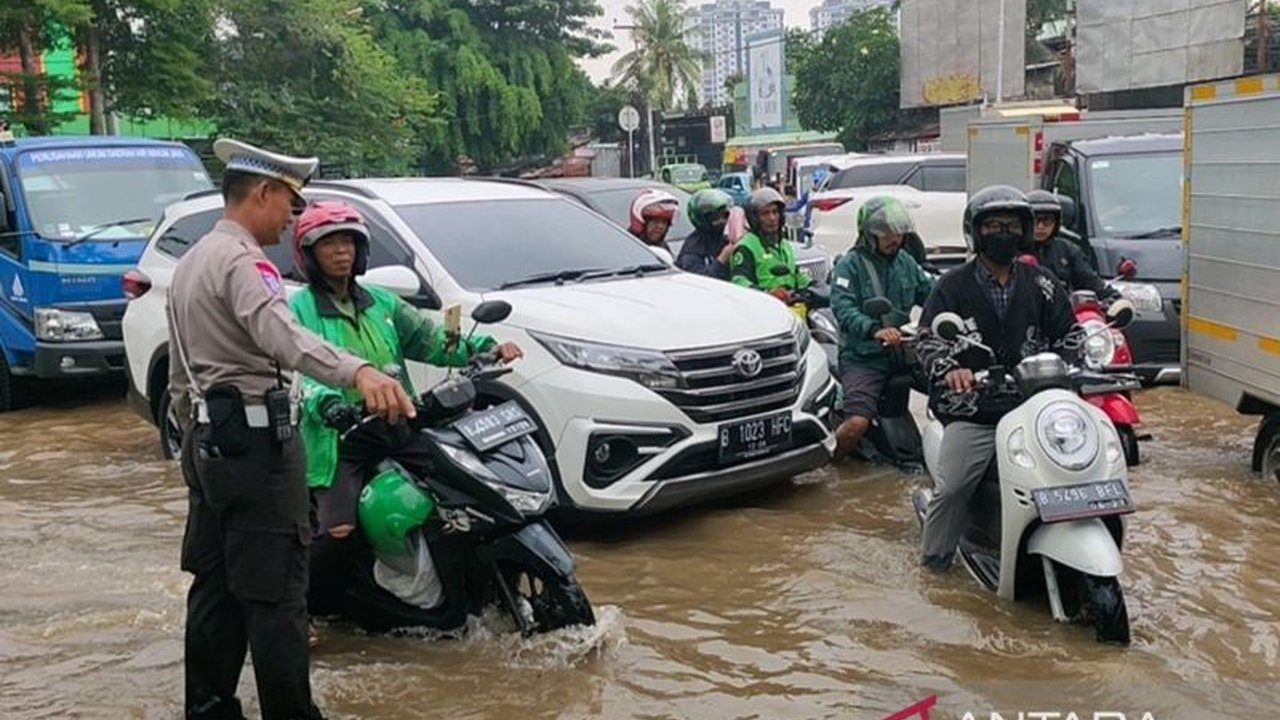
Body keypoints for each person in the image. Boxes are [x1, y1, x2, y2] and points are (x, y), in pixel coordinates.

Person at [169, 139, 415, 720]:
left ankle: (207, 708)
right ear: (264, 192)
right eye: (290, 204)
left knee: (217, 586)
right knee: (278, 597)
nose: (292, 219)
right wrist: (356, 369)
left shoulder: (191, 262)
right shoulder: (243, 262)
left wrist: (192, 457)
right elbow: (282, 336)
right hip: (258, 451)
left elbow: (183, 375)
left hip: (213, 450)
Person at [286, 201, 522, 630]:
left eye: (348, 243)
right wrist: (329, 404)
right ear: (309, 255)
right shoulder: (298, 309)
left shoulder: (380, 301)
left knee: (463, 492)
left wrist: (485, 346)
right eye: (329, 244)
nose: (341, 252)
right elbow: (299, 373)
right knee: (337, 532)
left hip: (400, 422)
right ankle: (300, 612)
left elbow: (432, 340)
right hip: (341, 438)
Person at [913, 186, 1083, 571]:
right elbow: (925, 339)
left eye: (1011, 225)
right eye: (993, 225)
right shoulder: (952, 285)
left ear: (1024, 230)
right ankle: (934, 564)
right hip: (975, 410)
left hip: (1034, 407)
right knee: (953, 487)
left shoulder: (1041, 282)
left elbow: (1071, 333)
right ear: (976, 232)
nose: (1003, 232)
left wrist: (1072, 363)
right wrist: (950, 368)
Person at [828, 197, 935, 461]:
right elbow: (843, 309)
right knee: (856, 424)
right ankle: (833, 469)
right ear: (868, 233)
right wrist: (874, 329)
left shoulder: (906, 262)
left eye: (898, 232)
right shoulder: (849, 265)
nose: (894, 238)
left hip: (904, 353)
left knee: (954, 395)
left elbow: (932, 294)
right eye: (886, 233)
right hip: (864, 358)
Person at [1025, 189, 1120, 301]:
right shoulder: (1012, 250)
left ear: (1056, 223)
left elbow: (1089, 280)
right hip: (1020, 313)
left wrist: (1114, 298)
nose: (1040, 226)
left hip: (1060, 313)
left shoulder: (1068, 250)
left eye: (1047, 220)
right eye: (1035, 220)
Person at [729, 187, 812, 302]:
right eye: (765, 214)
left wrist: (813, 285)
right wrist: (767, 293)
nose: (772, 218)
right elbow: (739, 282)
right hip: (764, 308)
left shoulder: (784, 244)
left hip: (793, 306)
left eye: (775, 212)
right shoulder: (746, 247)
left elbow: (796, 273)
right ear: (754, 219)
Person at [676, 188, 735, 279]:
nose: (722, 220)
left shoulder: (724, 241)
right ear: (702, 219)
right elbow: (699, 281)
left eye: (725, 215)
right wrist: (723, 258)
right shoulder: (693, 248)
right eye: (716, 216)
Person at [628, 188, 681, 254]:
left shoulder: (663, 249)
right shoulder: (627, 249)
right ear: (640, 221)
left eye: (665, 222)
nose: (660, 226)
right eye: (655, 221)